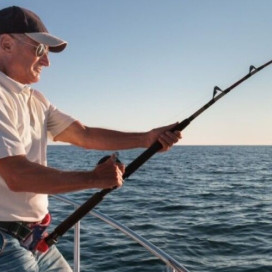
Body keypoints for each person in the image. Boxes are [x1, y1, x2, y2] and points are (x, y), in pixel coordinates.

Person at [0, 6, 182, 272]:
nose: (47, 62)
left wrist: (147, 138)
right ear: (6, 44)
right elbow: (17, 176)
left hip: (35, 239)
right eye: (40, 50)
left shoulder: (34, 99)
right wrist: (94, 179)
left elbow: (83, 134)